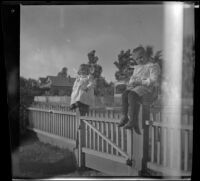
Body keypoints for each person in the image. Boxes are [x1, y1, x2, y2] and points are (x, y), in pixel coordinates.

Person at [118, 46, 160, 135]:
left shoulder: (152, 66)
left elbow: (153, 80)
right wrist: (131, 83)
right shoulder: (137, 68)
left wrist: (140, 82)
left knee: (132, 95)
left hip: (148, 89)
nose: (140, 60)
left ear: (146, 55)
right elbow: (133, 78)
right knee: (125, 94)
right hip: (138, 89)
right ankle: (125, 116)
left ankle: (133, 120)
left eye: (141, 57)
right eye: (137, 59)